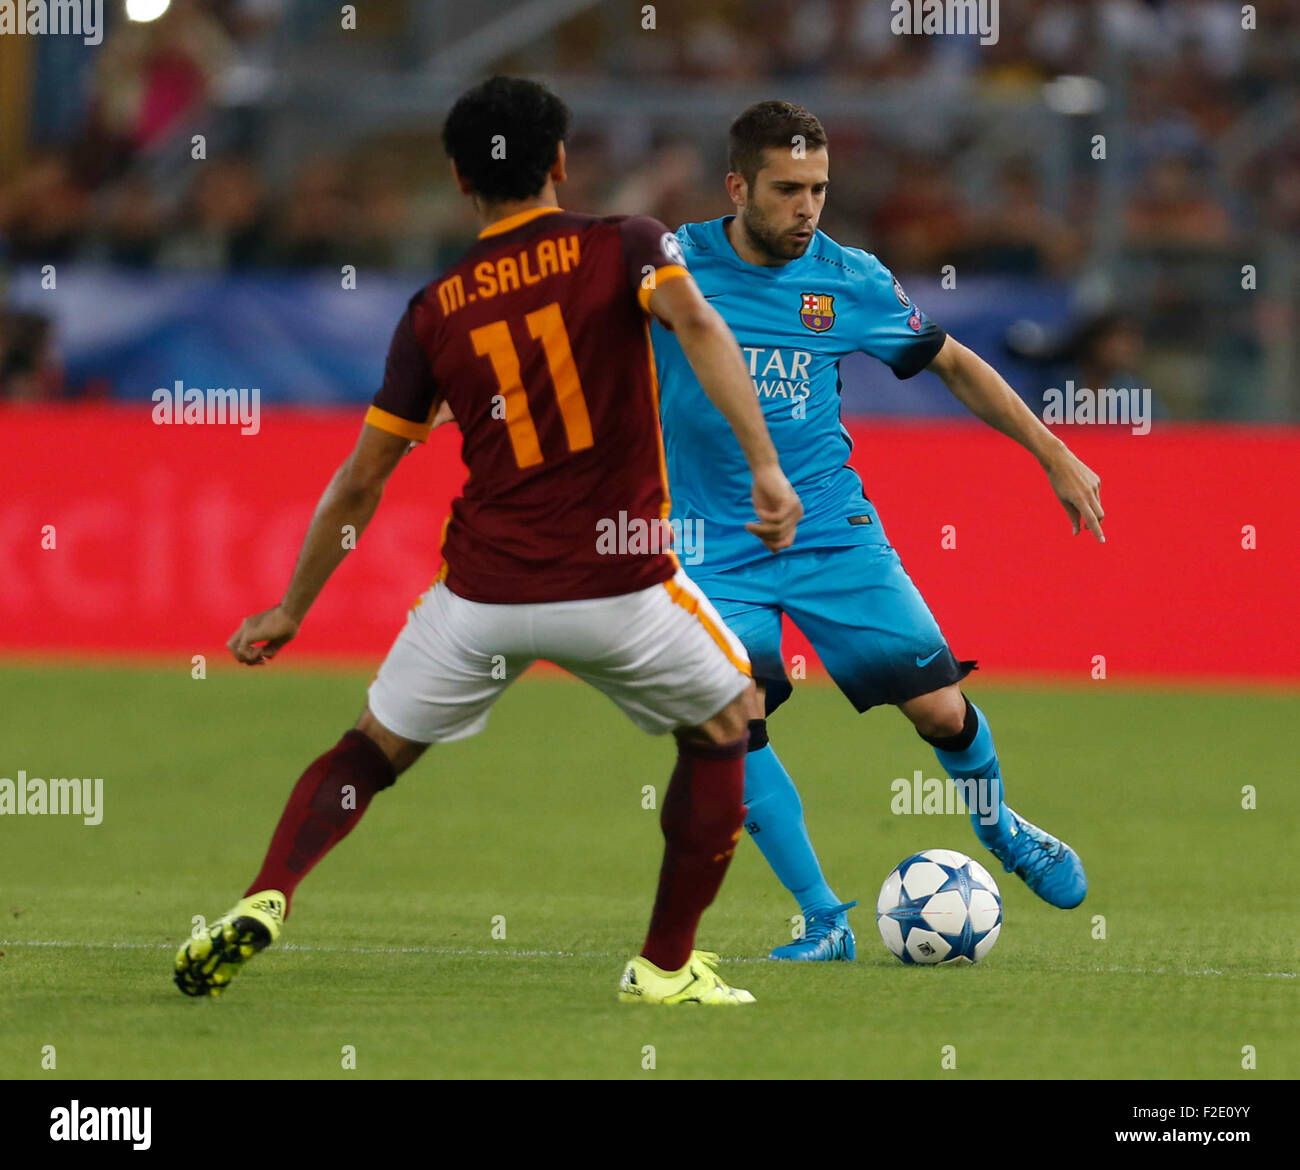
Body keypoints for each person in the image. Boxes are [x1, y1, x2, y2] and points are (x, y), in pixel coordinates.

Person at [173, 77, 802, 1005]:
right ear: (557, 162)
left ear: (461, 180)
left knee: (370, 752)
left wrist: (290, 607)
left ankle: (269, 893)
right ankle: (665, 967)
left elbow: (361, 480)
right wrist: (765, 466)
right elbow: (698, 323)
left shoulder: (434, 310)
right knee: (730, 719)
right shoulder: (625, 243)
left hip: (481, 600)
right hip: (619, 587)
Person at [652, 101, 1105, 961]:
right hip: (714, 547)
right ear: (737, 185)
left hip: (832, 532)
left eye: (819, 189)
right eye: (787, 189)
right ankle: (825, 919)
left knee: (938, 710)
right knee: (729, 719)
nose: (807, 208)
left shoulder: (848, 280)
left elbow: (955, 365)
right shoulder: (673, 265)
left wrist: (1051, 451)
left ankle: (998, 825)